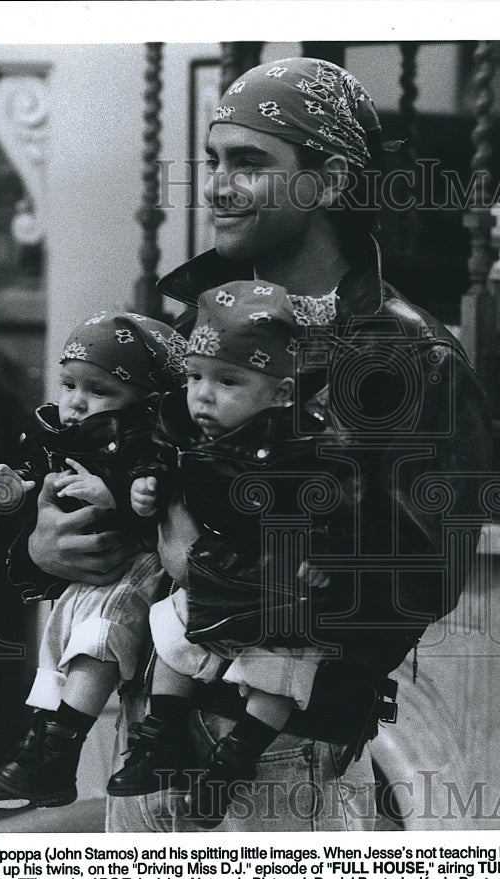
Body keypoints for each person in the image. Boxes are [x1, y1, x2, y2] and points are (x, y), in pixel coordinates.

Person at [11, 56, 493, 832]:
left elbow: (417, 582)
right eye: (212, 161)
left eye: (248, 163)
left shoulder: (406, 358)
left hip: (281, 748)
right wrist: (45, 544)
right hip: (141, 735)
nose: (216, 185)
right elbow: (105, 489)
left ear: (329, 181)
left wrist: (207, 562)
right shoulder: (185, 335)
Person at [107, 279, 357, 827]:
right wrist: (144, 482)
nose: (203, 394)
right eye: (195, 376)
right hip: (209, 580)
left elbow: (344, 503)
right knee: (170, 636)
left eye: (228, 381)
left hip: (277, 593)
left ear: (283, 394)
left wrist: (328, 552)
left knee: (280, 669)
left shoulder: (306, 448)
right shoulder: (181, 432)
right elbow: (142, 456)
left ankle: (237, 756)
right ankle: (160, 737)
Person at [0, 309, 185, 810]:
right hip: (87, 575)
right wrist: (12, 494)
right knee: (62, 637)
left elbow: (157, 489)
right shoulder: (54, 430)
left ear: (145, 399)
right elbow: (33, 484)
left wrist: (113, 492)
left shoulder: (145, 438)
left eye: (98, 391)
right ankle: (43, 746)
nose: (75, 403)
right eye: (69, 385)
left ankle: (57, 745)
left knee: (100, 631)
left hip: (136, 567)